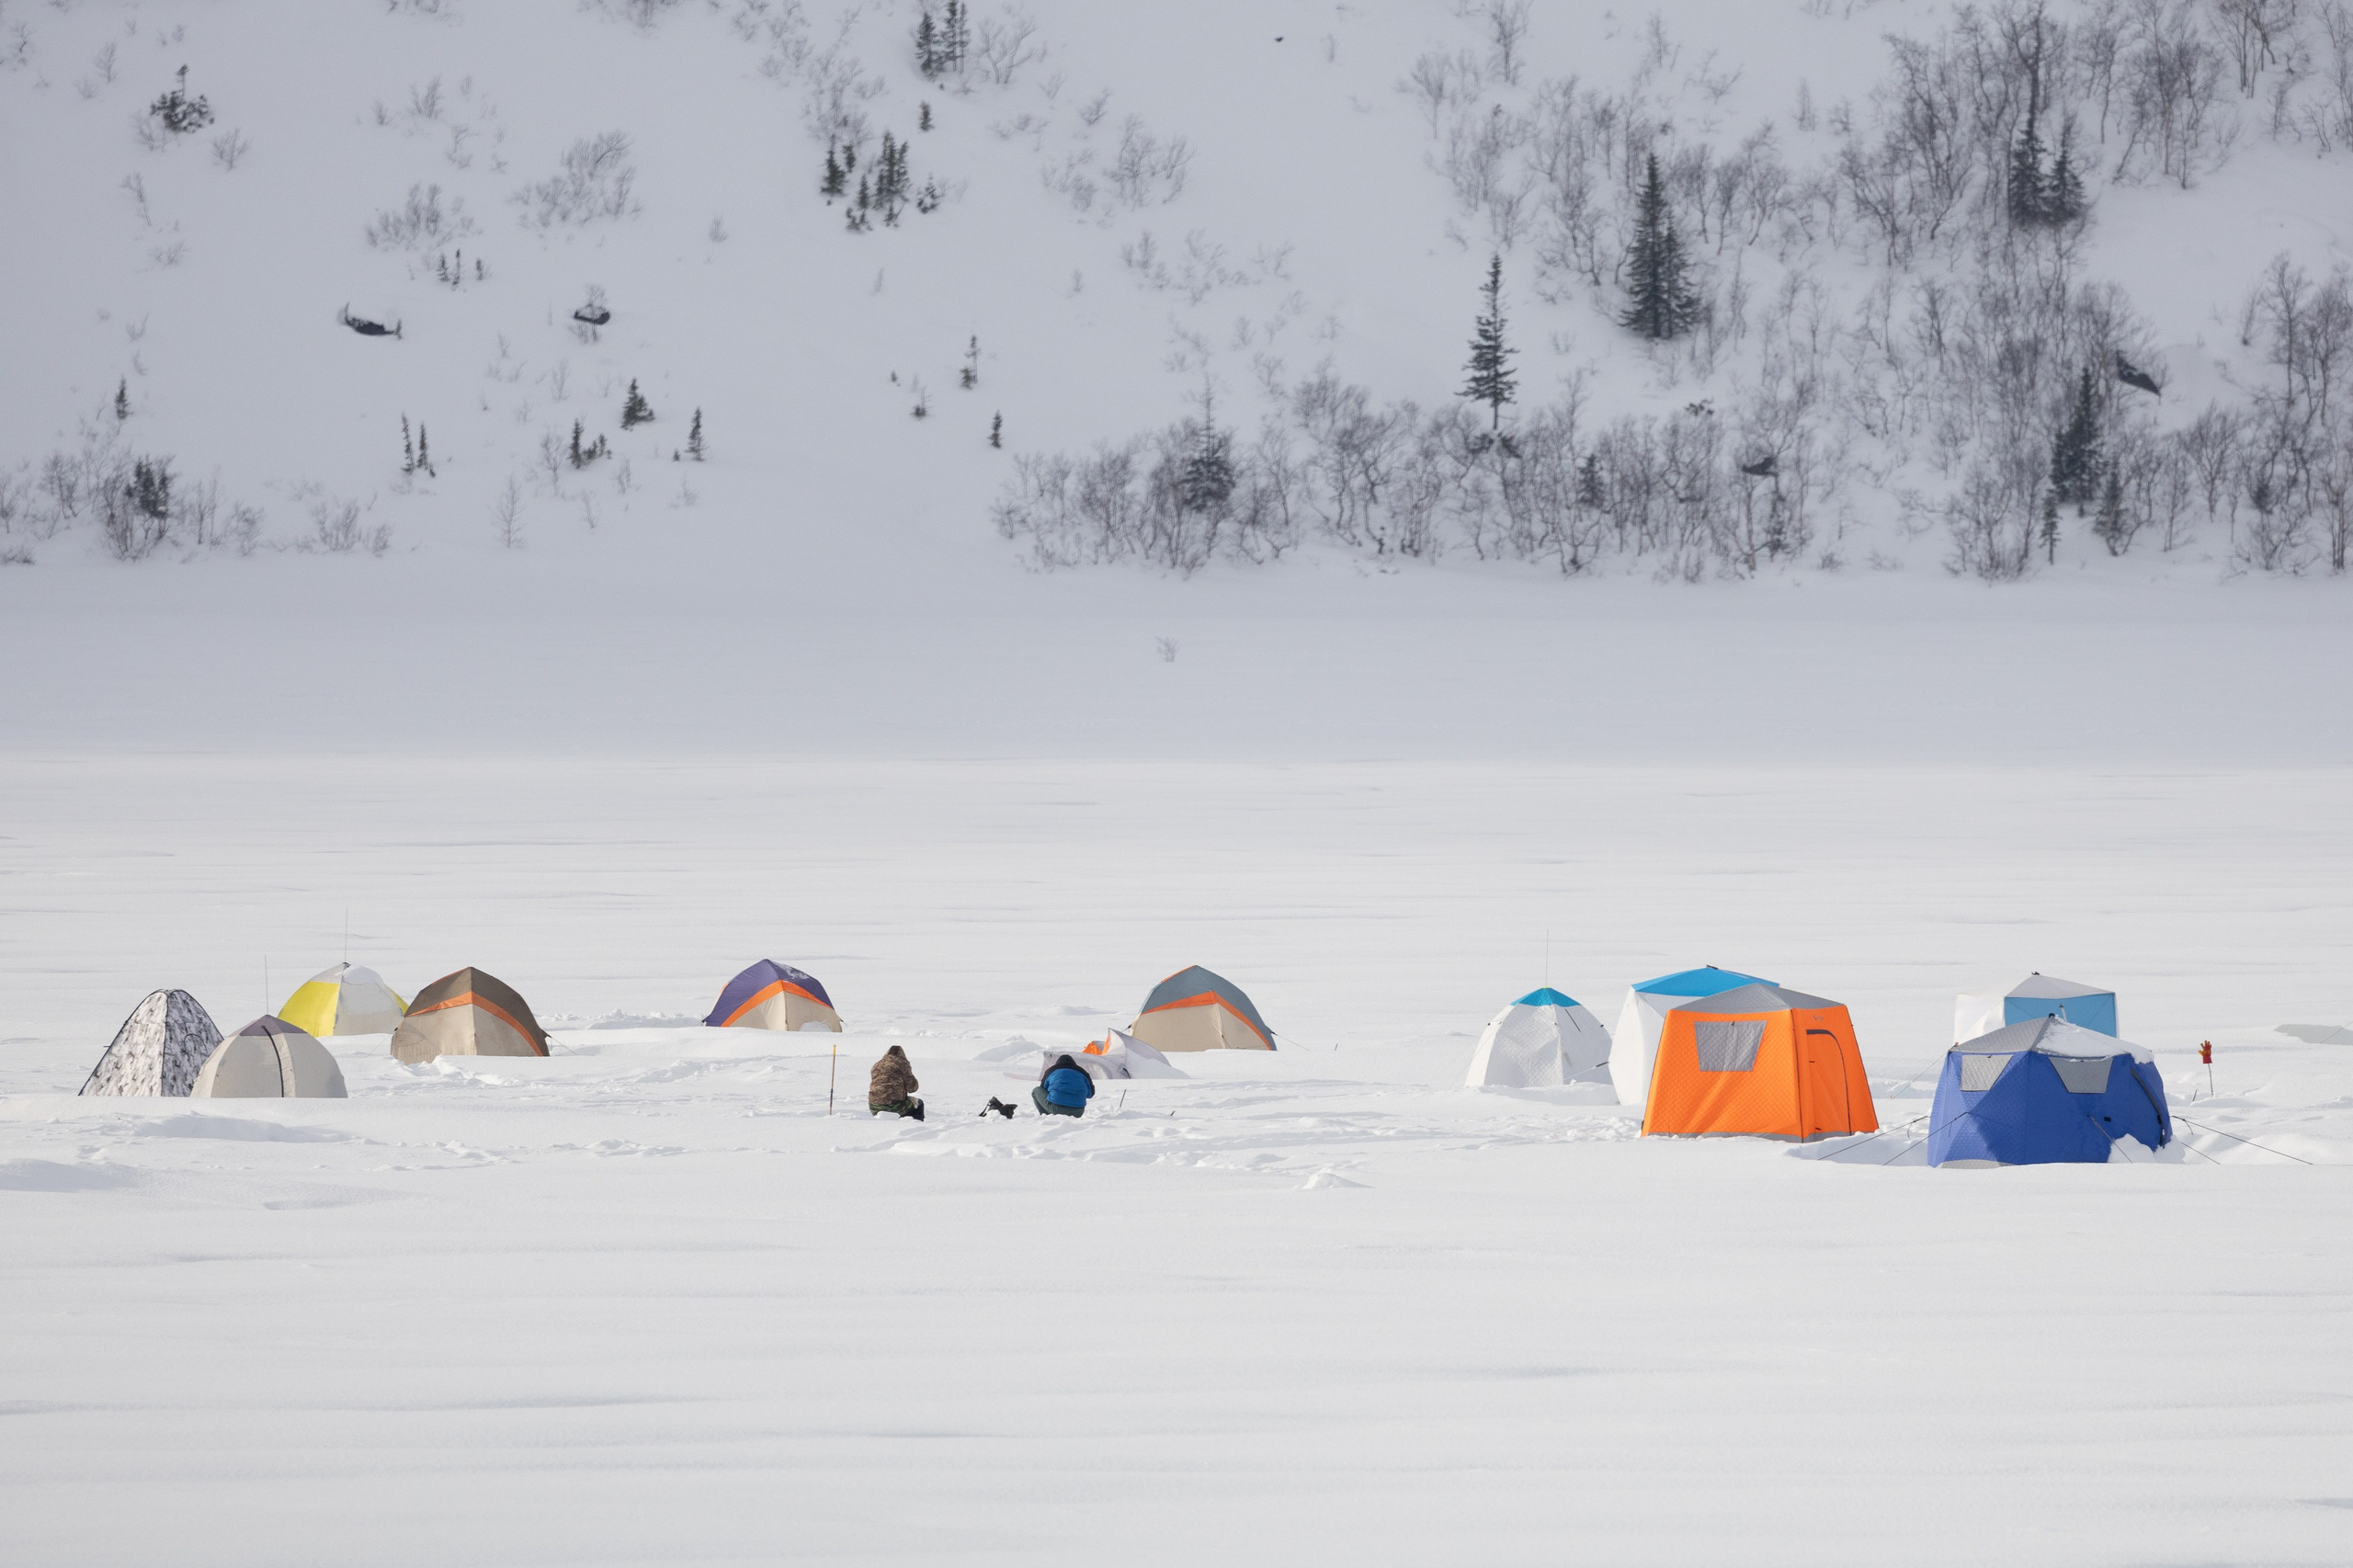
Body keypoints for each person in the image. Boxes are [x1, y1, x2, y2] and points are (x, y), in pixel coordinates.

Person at [869, 1044, 924, 1120]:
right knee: (919, 1104)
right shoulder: (902, 1064)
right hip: (895, 1105)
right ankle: (916, 1126)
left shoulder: (877, 1065)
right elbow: (912, 1088)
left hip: (874, 1105)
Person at [1032, 1052, 1095, 1118]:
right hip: (1078, 1112)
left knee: (1036, 1091)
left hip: (1056, 1109)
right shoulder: (1083, 1073)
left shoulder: (1051, 1070)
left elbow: (1043, 1089)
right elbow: (1090, 1094)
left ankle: (1045, 1115)